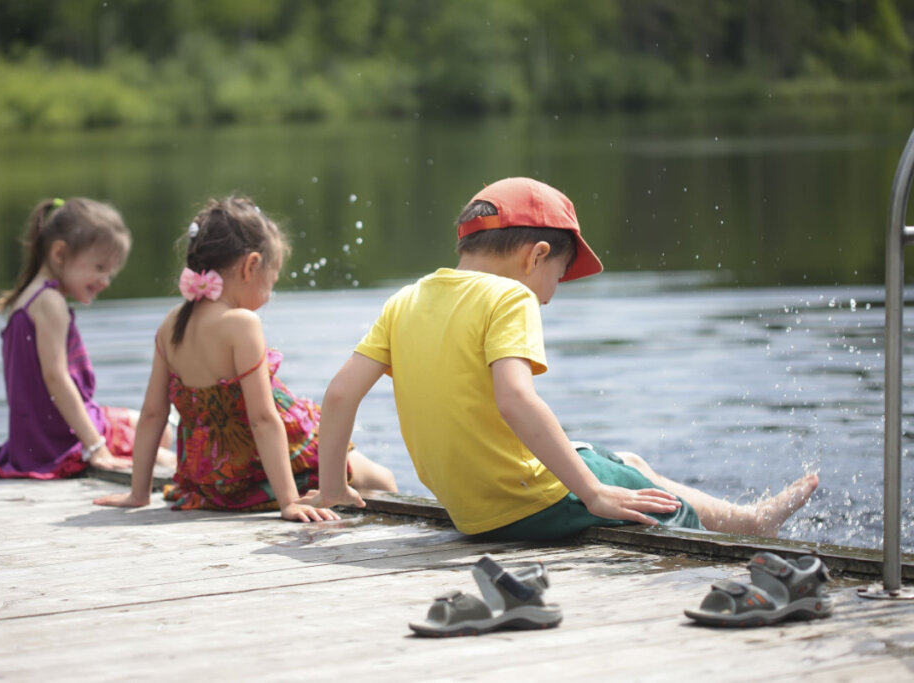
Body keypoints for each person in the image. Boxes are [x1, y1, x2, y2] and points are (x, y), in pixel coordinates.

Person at [301, 177, 818, 540]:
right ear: (537, 255)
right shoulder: (510, 297)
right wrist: (592, 493)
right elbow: (515, 400)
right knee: (669, 514)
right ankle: (751, 528)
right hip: (526, 505)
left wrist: (332, 487)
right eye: (559, 276)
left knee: (629, 464)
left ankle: (750, 517)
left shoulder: (406, 300)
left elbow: (340, 394)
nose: (551, 295)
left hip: (469, 512)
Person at [93, 195, 396, 521]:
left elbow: (153, 414)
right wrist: (288, 502)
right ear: (251, 266)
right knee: (384, 481)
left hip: (211, 487)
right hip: (257, 478)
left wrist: (138, 493)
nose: (269, 294)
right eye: (272, 279)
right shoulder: (241, 325)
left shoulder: (170, 325)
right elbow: (263, 419)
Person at [0, 197, 175, 479]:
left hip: (44, 430)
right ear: (60, 254)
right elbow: (56, 378)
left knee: (159, 431)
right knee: (162, 456)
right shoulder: (50, 302)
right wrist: (96, 447)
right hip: (57, 440)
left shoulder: (28, 297)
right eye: (100, 268)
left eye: (110, 272)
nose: (106, 280)